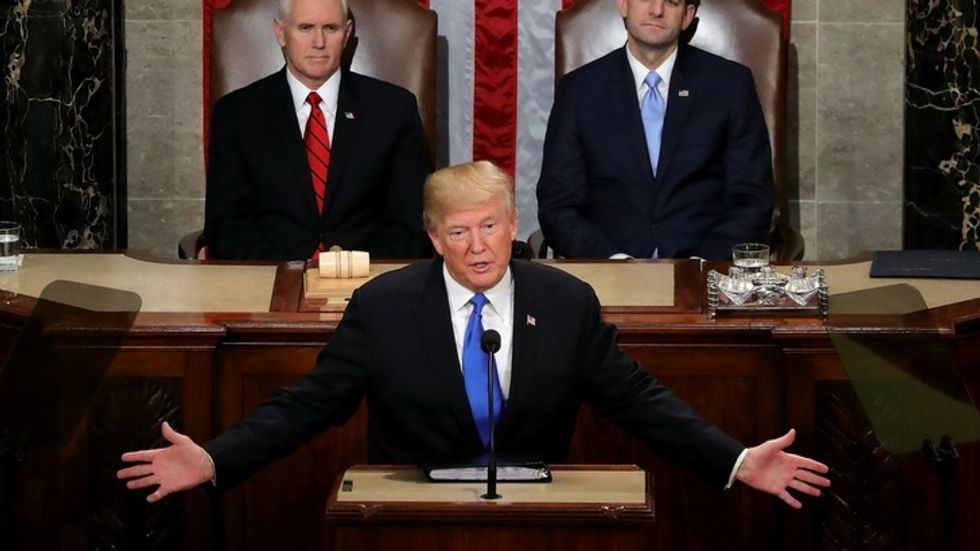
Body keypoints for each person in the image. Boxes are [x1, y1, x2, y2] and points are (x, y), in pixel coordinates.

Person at [119, 160, 828, 510]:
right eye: (459, 231)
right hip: (412, 518)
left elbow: (641, 401)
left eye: (491, 225)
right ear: (433, 238)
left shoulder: (565, 301)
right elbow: (307, 405)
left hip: (536, 519)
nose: (480, 245)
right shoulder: (385, 307)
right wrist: (214, 459)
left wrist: (736, 460)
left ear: (513, 223)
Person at [536, 0, 775, 260]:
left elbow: (752, 199)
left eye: (671, 2)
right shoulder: (579, 91)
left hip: (703, 271)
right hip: (607, 270)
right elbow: (558, 206)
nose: (656, 10)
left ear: (686, 16)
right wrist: (612, 261)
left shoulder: (729, 85)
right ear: (623, 5)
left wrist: (702, 264)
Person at [204, 0, 432, 260]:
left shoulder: (393, 108)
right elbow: (226, 223)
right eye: (305, 28)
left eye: (330, 28)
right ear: (281, 32)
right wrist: (282, 276)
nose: (319, 42)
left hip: (370, 279)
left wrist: (361, 272)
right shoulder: (237, 113)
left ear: (346, 34)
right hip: (270, 280)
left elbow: (411, 218)